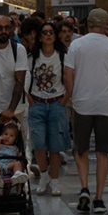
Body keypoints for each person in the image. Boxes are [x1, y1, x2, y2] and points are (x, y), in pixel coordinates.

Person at [64, 7, 108, 215]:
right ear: (106, 25)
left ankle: (84, 188)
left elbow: (68, 76)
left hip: (82, 104)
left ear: (88, 24)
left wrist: (73, 96)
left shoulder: (76, 45)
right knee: (102, 152)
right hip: (106, 105)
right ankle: (99, 198)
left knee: (81, 149)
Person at [25, 21, 69, 197]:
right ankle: (44, 175)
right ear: (40, 37)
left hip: (57, 103)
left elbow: (70, 77)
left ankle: (55, 180)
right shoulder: (32, 58)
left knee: (55, 145)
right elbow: (25, 79)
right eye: (45, 32)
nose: (49, 35)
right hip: (37, 104)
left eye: (51, 32)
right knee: (38, 143)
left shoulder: (63, 56)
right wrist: (30, 100)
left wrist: (65, 99)